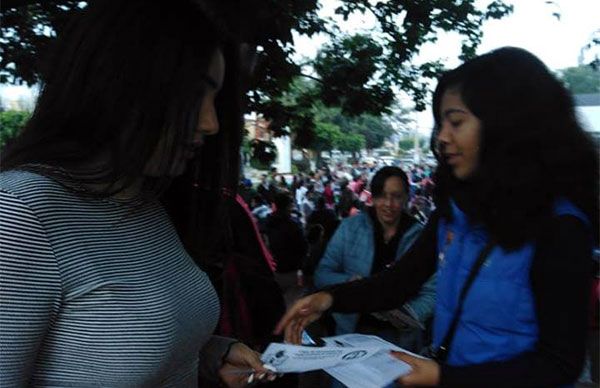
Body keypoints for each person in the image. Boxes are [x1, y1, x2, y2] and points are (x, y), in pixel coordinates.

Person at [275, 47, 598, 387]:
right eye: (441, 122)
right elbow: (401, 280)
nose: (442, 137)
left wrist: (445, 377)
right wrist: (330, 298)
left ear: (507, 126)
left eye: (456, 122)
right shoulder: (457, 210)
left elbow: (559, 364)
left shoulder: (562, 229)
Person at [0, 1, 274, 387]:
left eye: (215, 100)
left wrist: (210, 353)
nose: (211, 123)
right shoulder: (19, 214)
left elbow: (106, 348)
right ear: (120, 82)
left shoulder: (144, 202)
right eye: (196, 93)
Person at [314, 166, 435, 352]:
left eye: (396, 196)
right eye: (382, 196)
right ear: (373, 197)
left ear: (406, 197)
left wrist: (408, 316)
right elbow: (322, 274)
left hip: (400, 340)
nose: (388, 203)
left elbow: (432, 291)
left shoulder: (420, 237)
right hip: (351, 334)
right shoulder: (350, 228)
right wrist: (349, 282)